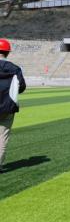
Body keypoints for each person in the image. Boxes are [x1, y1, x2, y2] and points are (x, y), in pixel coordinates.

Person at [0, 39, 26, 173]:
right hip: (7, 106)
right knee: (3, 137)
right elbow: (22, 87)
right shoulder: (15, 68)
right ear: (7, 53)